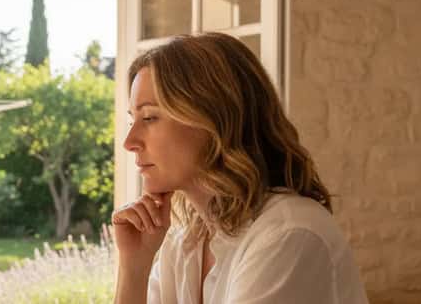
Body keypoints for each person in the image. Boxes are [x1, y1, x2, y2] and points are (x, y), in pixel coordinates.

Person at [112, 33, 368, 304]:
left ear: (214, 119)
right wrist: (134, 269)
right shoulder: (184, 243)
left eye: (150, 117)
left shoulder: (288, 235)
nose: (130, 143)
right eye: (133, 121)